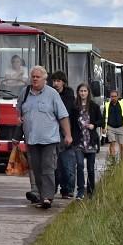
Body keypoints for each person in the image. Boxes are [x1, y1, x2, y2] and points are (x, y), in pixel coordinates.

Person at [21, 66, 72, 209]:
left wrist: (68, 134)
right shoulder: (24, 93)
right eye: (33, 77)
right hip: (31, 139)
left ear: (44, 79)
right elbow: (18, 111)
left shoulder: (52, 94)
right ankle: (42, 195)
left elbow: (63, 116)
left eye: (38, 77)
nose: (35, 79)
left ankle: (48, 197)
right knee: (36, 169)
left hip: (49, 139)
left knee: (48, 167)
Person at [71, 83, 102, 198]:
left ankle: (91, 190)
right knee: (79, 165)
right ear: (78, 93)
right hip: (78, 141)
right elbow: (70, 123)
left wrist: (94, 125)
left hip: (90, 141)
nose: (83, 93)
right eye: (81, 91)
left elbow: (101, 120)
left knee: (90, 167)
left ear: (88, 93)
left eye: (85, 91)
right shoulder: (74, 107)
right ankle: (80, 190)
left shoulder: (94, 106)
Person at [50, 71, 77, 199]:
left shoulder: (68, 95)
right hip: (52, 133)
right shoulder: (48, 93)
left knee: (67, 163)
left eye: (58, 81)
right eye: (54, 81)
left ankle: (67, 189)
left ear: (63, 82)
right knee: (53, 165)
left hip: (66, 132)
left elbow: (65, 112)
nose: (55, 83)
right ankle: (52, 188)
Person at [103, 90, 123, 162]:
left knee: (122, 145)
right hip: (110, 127)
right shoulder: (107, 105)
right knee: (112, 143)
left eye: (115, 96)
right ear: (110, 97)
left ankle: (122, 158)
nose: (113, 98)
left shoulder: (122, 104)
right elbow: (104, 116)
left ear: (117, 97)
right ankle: (113, 160)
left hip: (120, 127)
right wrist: (103, 127)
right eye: (112, 96)